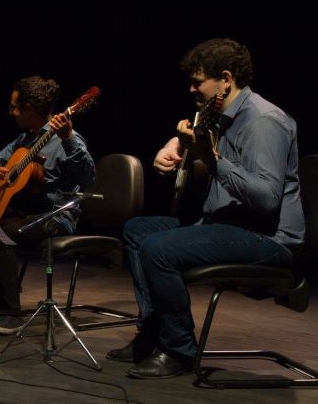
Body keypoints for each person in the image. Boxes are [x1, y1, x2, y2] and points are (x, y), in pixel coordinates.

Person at [107, 38, 304, 379]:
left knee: (159, 248)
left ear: (225, 79)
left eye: (198, 82)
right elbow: (194, 142)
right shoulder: (218, 115)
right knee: (138, 231)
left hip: (266, 238)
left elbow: (266, 198)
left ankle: (178, 350)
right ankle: (153, 333)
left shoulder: (263, 121)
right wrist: (172, 148)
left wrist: (210, 161)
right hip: (225, 226)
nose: (191, 88)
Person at [0, 75, 95, 334]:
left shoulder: (69, 138)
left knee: (1, 233)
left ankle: (10, 314)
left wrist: (67, 139)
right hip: (23, 214)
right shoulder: (24, 140)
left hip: (54, 217)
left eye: (14, 107)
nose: (10, 112)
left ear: (30, 109)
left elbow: (88, 178)